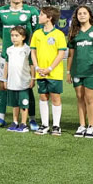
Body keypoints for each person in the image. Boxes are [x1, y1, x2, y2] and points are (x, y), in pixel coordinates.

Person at [0, 0, 40, 129]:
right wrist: (9, 43)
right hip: (7, 54)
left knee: (27, 86)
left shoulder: (31, 11)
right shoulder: (1, 11)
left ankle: (31, 118)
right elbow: (0, 30)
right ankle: (1, 118)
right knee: (3, 85)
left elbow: (35, 30)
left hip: (26, 56)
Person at [66, 5, 93, 138]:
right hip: (77, 70)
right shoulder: (74, 32)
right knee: (79, 97)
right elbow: (71, 55)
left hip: (92, 70)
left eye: (84, 13)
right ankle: (82, 125)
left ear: (90, 15)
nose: (82, 15)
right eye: (79, 14)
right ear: (76, 16)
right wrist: (68, 72)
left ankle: (91, 126)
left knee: (89, 98)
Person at [29, 7, 67, 136]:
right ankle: (44, 124)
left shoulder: (59, 34)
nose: (39, 17)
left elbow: (61, 53)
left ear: (49, 18)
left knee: (55, 97)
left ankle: (56, 126)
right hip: (40, 72)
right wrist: (37, 67)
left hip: (54, 73)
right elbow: (33, 52)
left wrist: (50, 68)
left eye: (41, 14)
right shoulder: (37, 34)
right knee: (43, 96)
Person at [4, 26, 33, 133]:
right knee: (15, 103)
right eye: (12, 35)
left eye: (17, 35)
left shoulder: (27, 49)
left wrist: (33, 78)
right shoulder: (9, 50)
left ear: (23, 37)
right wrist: (5, 79)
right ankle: (15, 121)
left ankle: (24, 123)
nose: (14, 38)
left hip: (23, 81)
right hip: (12, 81)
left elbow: (31, 65)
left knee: (24, 103)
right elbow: (6, 65)